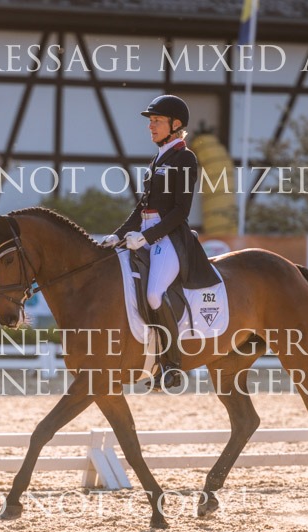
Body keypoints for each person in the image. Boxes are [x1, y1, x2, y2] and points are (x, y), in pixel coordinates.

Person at [100, 95, 220, 390]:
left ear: (175, 124)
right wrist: (119, 234)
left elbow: (181, 211)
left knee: (154, 294)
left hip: (170, 238)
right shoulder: (157, 159)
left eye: (156, 121)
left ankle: (172, 365)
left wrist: (146, 236)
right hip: (146, 234)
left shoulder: (185, 158)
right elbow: (142, 208)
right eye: (150, 121)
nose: (150, 126)